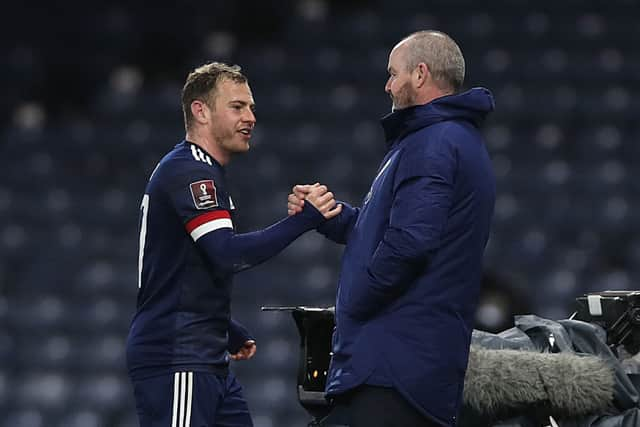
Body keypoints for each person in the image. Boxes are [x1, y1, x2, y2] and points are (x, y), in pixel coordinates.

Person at [288, 31, 496, 427]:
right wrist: (328, 216)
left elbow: (410, 243)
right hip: (406, 363)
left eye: (392, 73)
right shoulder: (448, 138)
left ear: (420, 74)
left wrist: (356, 303)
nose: (387, 85)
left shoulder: (433, 141)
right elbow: (391, 231)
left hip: (394, 369)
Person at [126, 62, 341, 427]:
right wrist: (303, 220)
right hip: (177, 356)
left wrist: (223, 326)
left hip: (204, 354)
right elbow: (227, 254)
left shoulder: (201, 170)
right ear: (201, 111)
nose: (251, 117)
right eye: (238, 106)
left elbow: (184, 265)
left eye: (252, 107)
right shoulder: (191, 170)